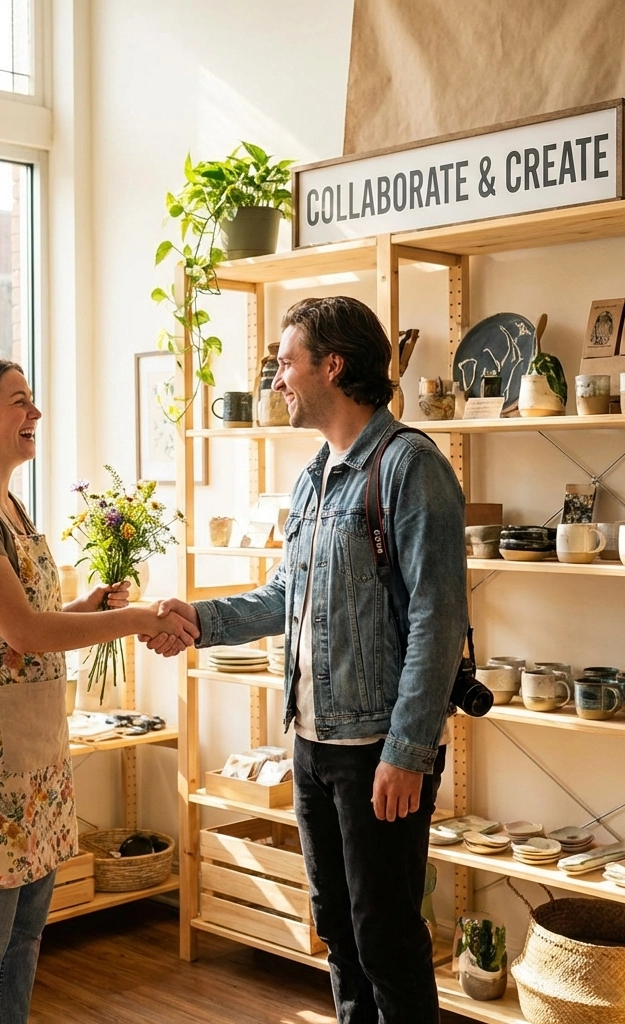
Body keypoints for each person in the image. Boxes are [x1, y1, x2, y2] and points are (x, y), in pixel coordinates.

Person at [149, 297, 468, 1024]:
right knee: (339, 935)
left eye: (286, 361)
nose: (277, 378)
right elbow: (285, 594)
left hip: (376, 750)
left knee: (387, 939)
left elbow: (438, 620)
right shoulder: (314, 475)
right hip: (314, 744)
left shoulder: (409, 465)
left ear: (334, 364)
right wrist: (198, 619)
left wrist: (408, 752)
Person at [0, 356, 198, 1024]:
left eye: (34, 401)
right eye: (20, 402)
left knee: (22, 936)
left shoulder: (8, 506)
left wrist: (90, 604)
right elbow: (24, 631)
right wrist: (134, 618)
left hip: (32, 747)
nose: (35, 415)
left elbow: (25, 627)